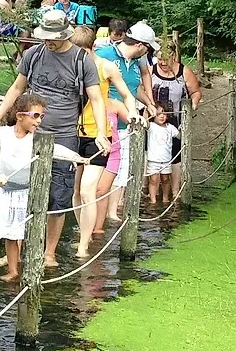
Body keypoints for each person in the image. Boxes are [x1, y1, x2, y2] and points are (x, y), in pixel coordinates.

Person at [0, 10, 109, 269]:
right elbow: (17, 88)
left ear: (65, 34)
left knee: (58, 196)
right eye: (45, 36)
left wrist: (102, 133)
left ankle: (49, 252)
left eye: (53, 37)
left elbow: (95, 98)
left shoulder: (81, 60)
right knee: (19, 191)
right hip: (28, 134)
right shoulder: (33, 54)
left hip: (62, 134)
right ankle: (15, 251)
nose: (48, 41)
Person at [0, 94, 81, 281]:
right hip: (7, 191)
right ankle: (13, 270)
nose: (39, 120)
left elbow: (56, 149)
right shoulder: (4, 133)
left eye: (41, 116)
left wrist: (76, 157)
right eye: (35, 116)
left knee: (27, 231)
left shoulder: (37, 139)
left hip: (27, 192)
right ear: (20, 116)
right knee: (9, 234)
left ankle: (30, 266)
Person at [68, 27, 140, 257]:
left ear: (90, 48)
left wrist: (134, 112)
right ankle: (83, 232)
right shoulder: (69, 64)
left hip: (98, 134)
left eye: (80, 50)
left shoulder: (106, 66)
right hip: (72, 133)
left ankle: (83, 246)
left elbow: (127, 94)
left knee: (89, 191)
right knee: (76, 191)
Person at [95, 21, 157, 220]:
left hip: (129, 122)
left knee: (122, 169)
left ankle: (113, 212)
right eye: (147, 48)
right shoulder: (105, 55)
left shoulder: (137, 62)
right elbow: (98, 92)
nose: (147, 53)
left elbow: (134, 87)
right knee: (107, 170)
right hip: (109, 124)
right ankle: (98, 216)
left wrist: (149, 103)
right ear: (140, 45)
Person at [152, 45, 202, 205]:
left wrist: (193, 104)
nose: (162, 63)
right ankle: (149, 191)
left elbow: (195, 92)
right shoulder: (150, 70)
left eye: (166, 59)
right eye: (160, 59)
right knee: (151, 154)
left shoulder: (184, 71)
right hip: (153, 120)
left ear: (174, 56)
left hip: (176, 121)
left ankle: (175, 192)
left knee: (174, 156)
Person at [146, 103, 178, 205]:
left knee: (165, 179)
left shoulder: (170, 127)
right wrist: (146, 112)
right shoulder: (151, 126)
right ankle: (153, 200)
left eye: (164, 114)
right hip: (153, 159)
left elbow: (180, 135)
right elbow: (144, 123)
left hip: (166, 160)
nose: (162, 116)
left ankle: (165, 198)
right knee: (153, 180)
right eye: (159, 113)